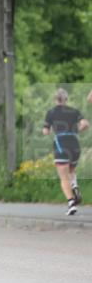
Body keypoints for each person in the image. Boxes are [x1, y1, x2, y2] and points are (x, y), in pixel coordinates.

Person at [43, 88, 88, 216]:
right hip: (75, 144)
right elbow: (85, 124)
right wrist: (76, 130)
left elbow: (45, 131)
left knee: (63, 177)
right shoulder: (74, 111)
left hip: (61, 145)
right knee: (71, 170)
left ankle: (71, 204)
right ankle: (74, 186)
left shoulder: (51, 113)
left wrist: (50, 130)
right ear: (66, 99)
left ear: (55, 99)